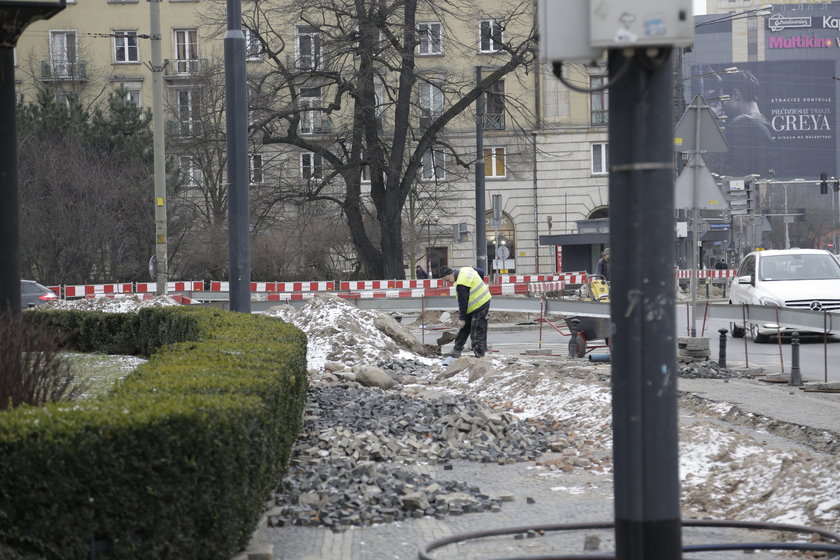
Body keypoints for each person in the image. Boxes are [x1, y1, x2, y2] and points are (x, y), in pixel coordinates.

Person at [437, 265, 491, 358]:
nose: (448, 282)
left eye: (447, 279)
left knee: (476, 331)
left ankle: (479, 356)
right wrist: (479, 284)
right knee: (465, 328)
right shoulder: (465, 270)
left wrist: (462, 319)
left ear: (451, 274)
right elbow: (481, 271)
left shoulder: (461, 285)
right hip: (475, 304)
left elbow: (463, 304)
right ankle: (456, 350)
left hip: (481, 304)